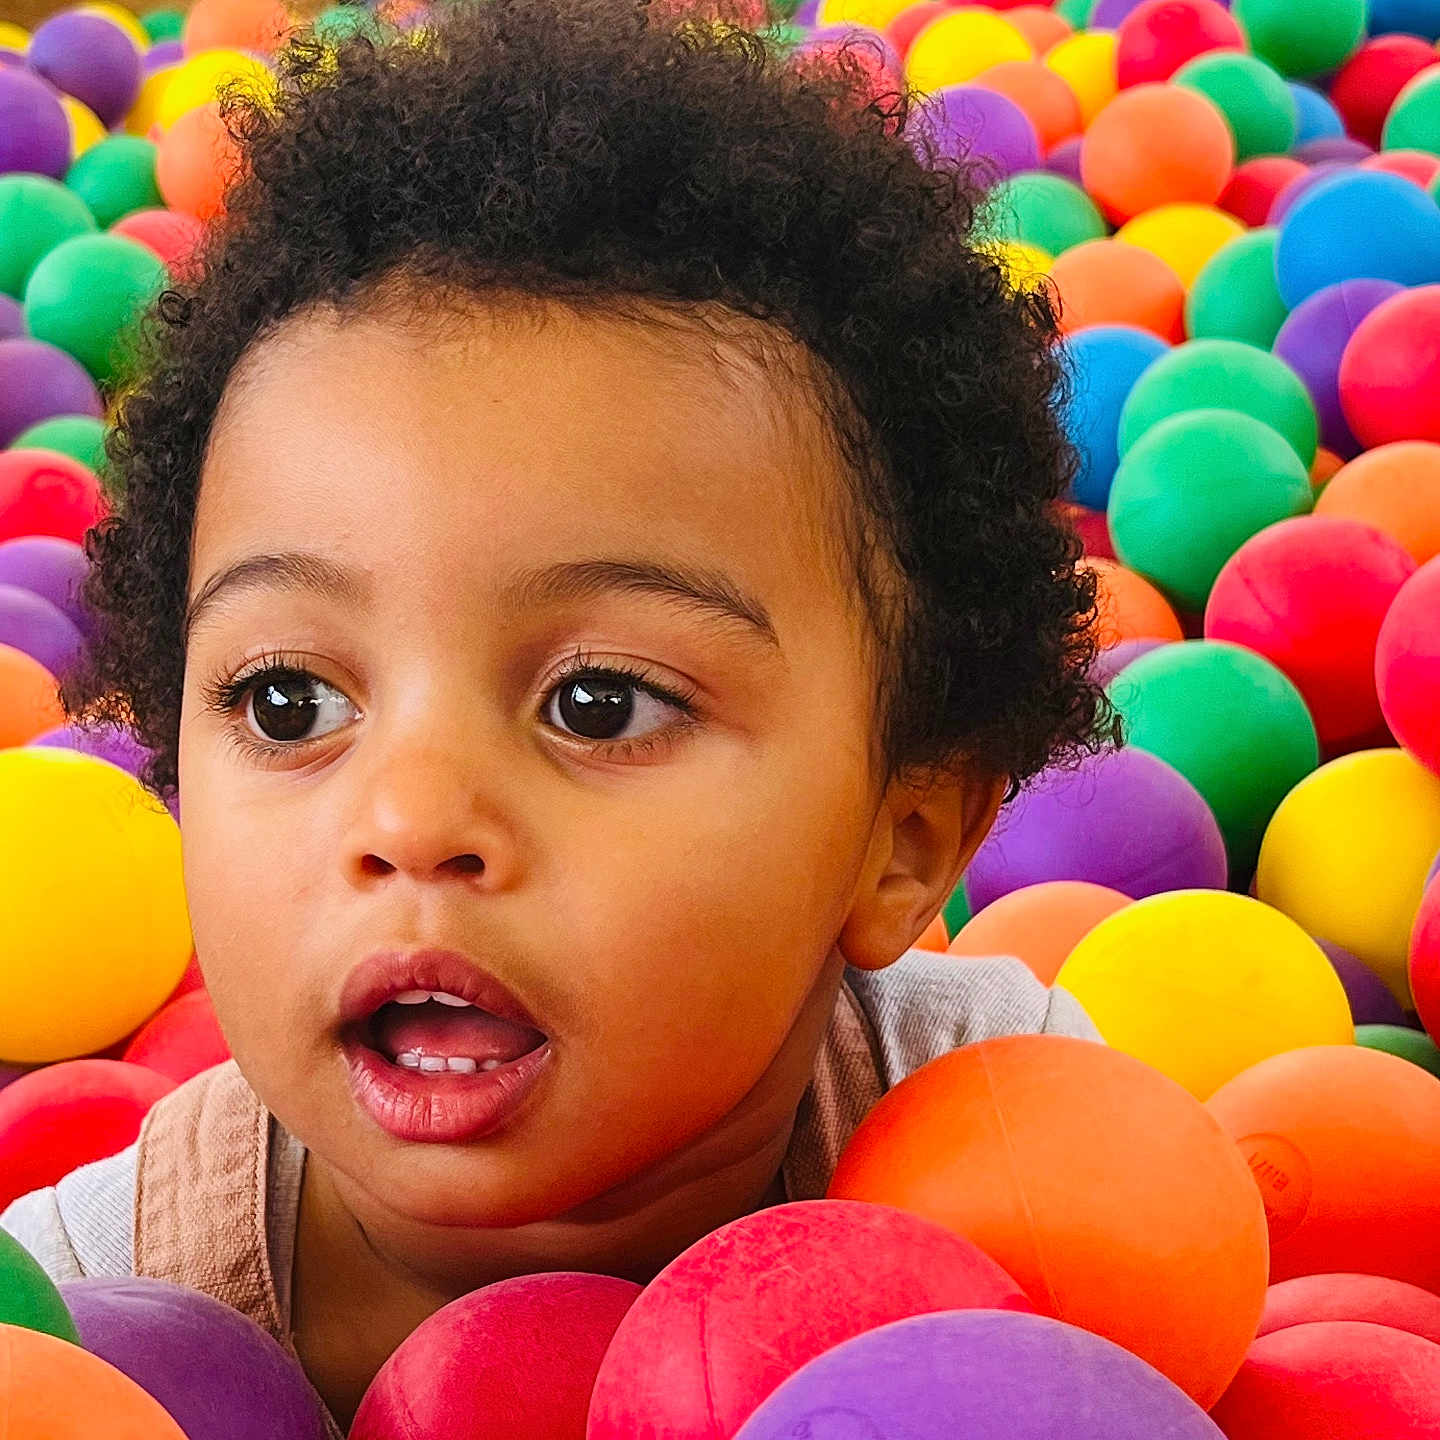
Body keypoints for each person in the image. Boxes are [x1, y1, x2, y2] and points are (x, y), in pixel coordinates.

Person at [3, 0, 1111, 1429]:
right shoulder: (80, 1314)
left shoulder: (1014, 1141)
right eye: (290, 701)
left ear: (900, 840)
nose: (410, 819)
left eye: (598, 703)